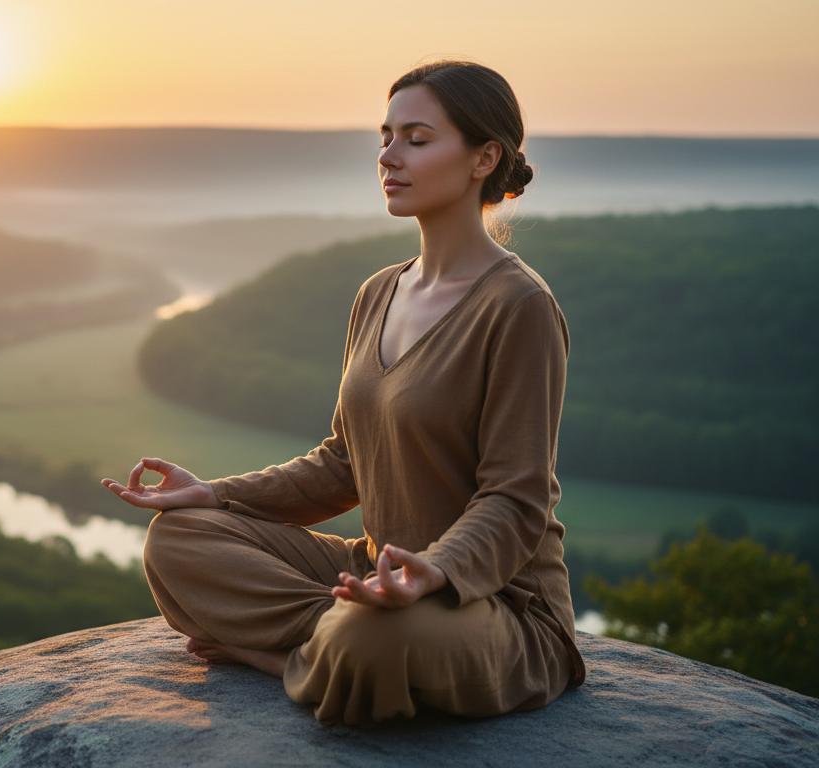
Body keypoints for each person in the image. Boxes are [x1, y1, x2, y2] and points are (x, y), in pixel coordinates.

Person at [100, 58, 586, 726]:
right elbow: (343, 463)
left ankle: (289, 657)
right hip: (377, 572)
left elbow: (516, 497)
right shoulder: (379, 293)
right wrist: (215, 495)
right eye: (385, 137)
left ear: (484, 159)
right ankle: (336, 646)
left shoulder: (519, 307)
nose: (389, 156)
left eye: (416, 139)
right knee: (177, 540)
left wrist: (434, 572)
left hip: (492, 602)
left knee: (374, 636)